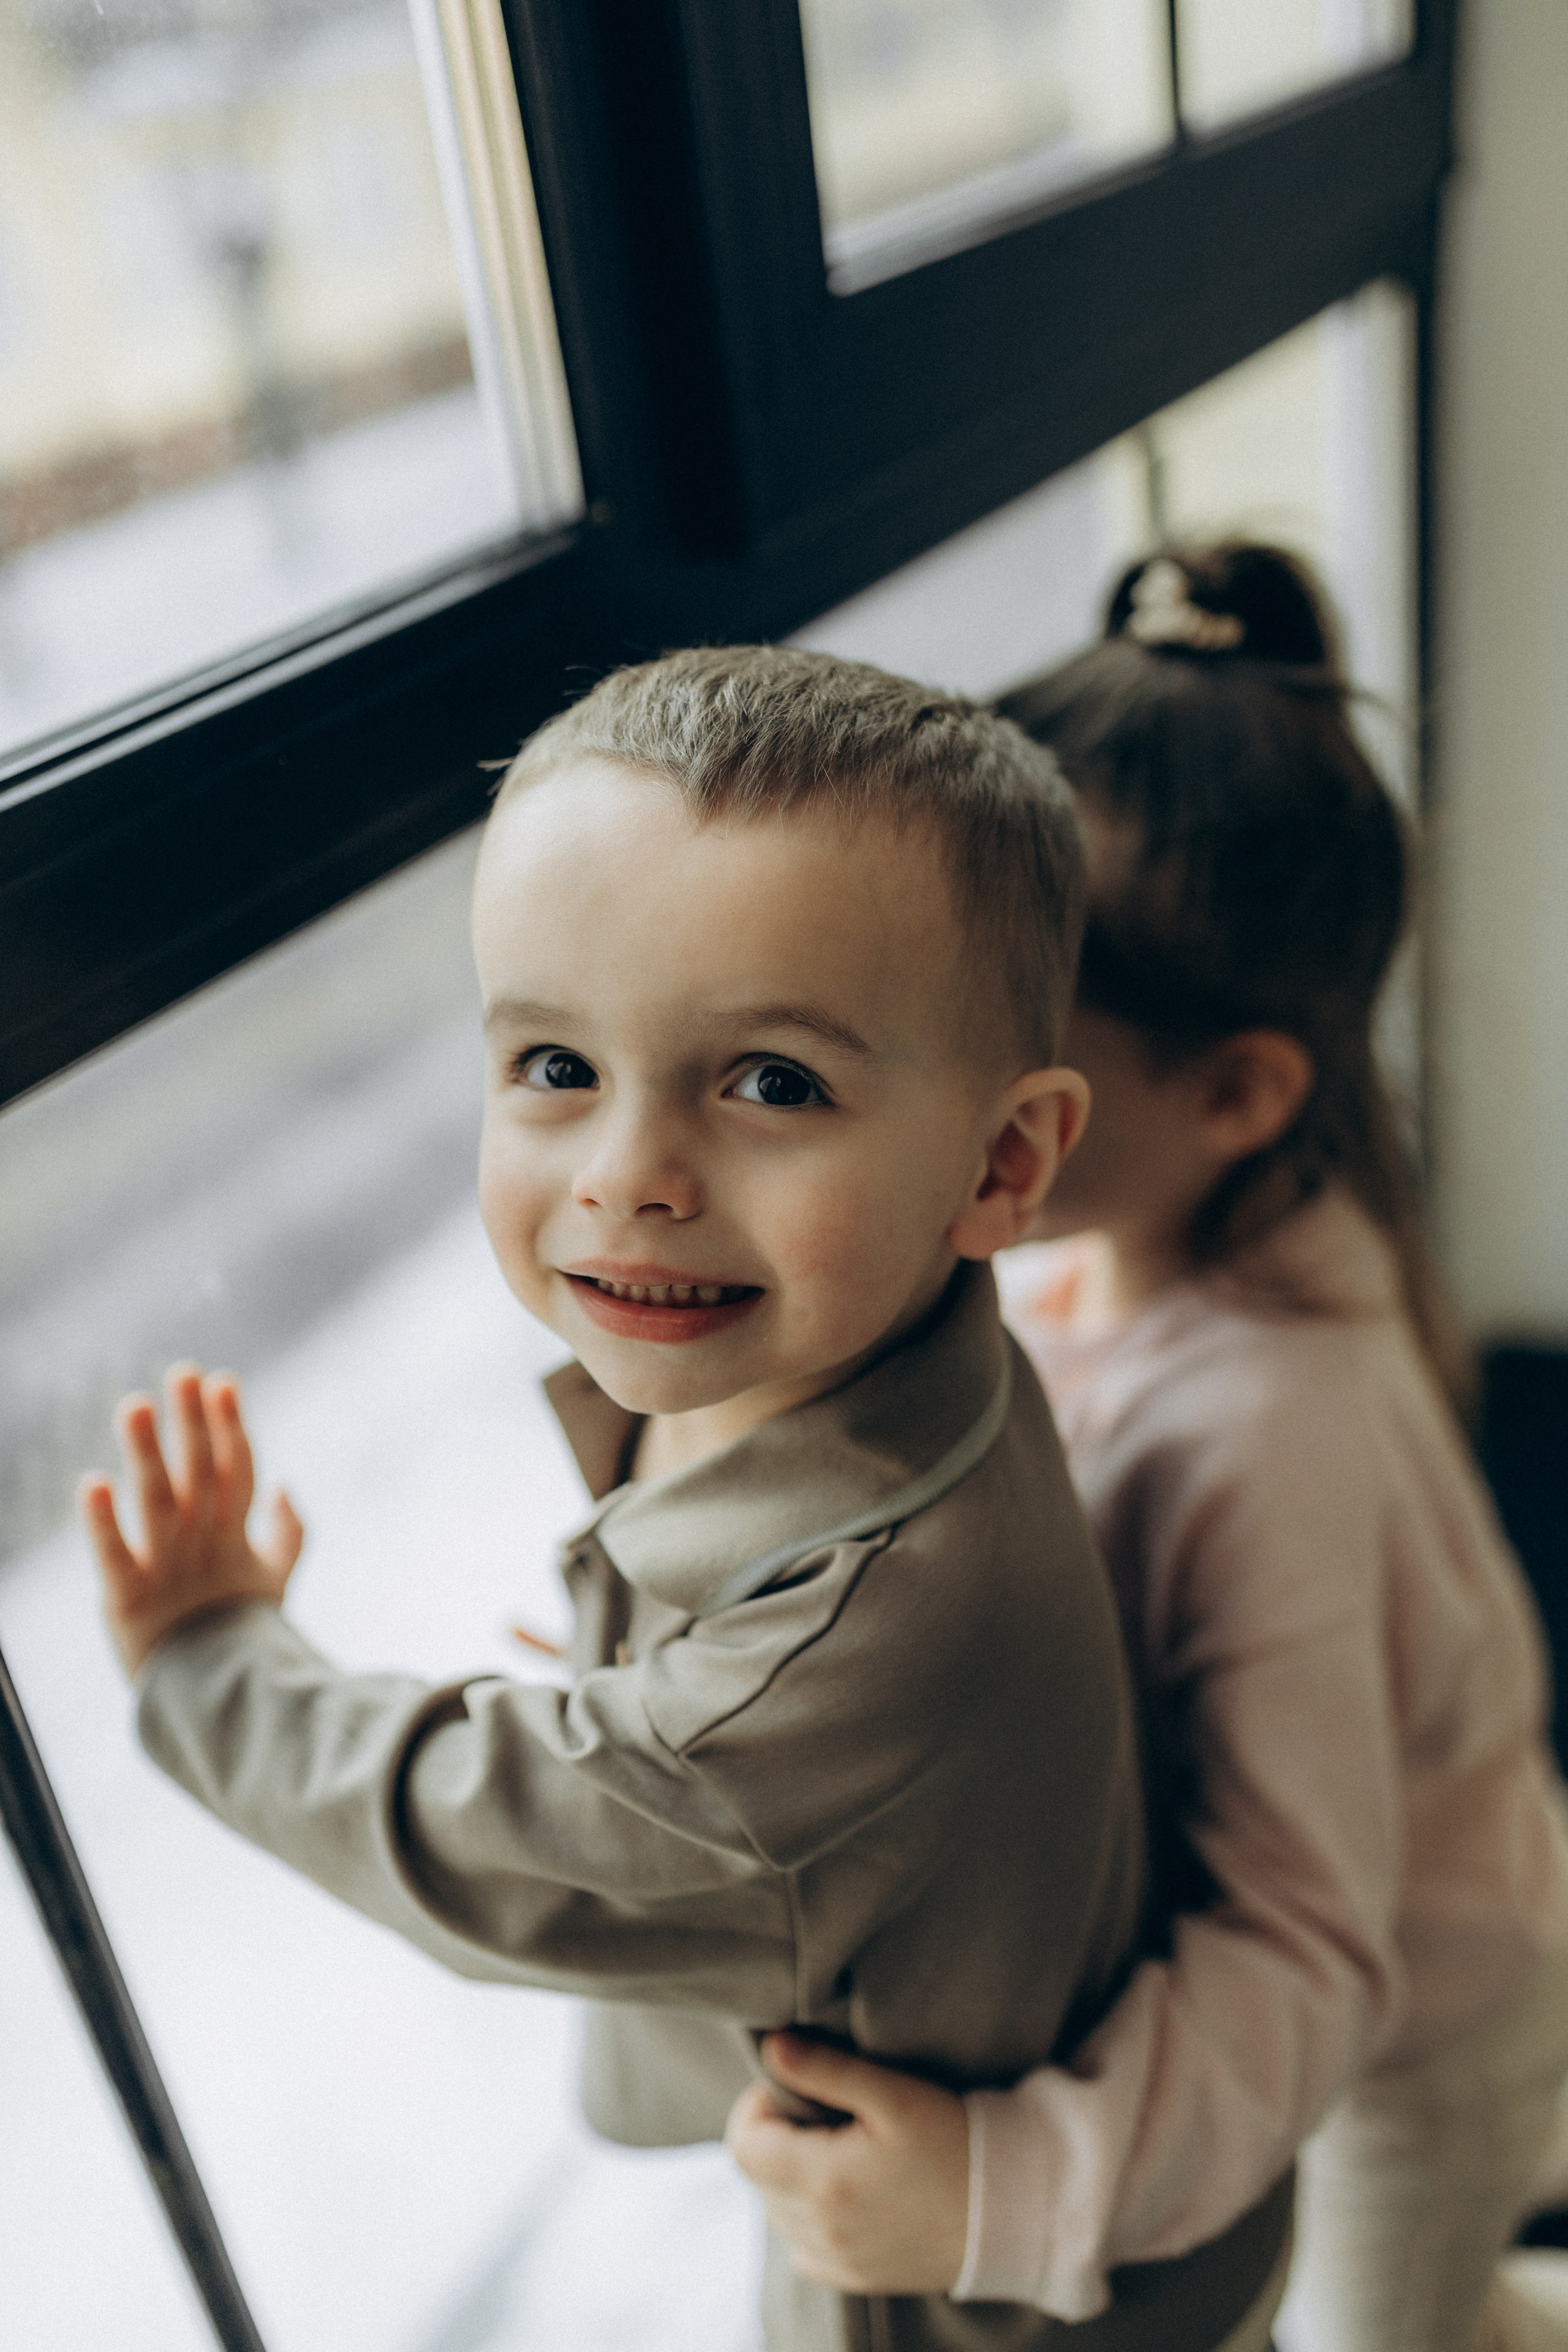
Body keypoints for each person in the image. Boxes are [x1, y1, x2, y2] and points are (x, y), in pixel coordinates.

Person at [80, 644, 1295, 2352]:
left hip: (996, 2302)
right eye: (555, 1066)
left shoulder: (862, 1640)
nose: (626, 1176)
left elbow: (490, 1836)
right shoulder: (892, 1342)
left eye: (772, 1083)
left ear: (1004, 1164)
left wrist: (212, 1667)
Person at [726, 549, 1568, 2352]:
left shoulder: (1272, 1435)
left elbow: (1308, 1955)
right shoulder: (1091, 1245)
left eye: (1004, 1044)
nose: (918, 1090)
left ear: (1241, 1094)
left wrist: (996, 2188)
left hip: (1416, 2027)